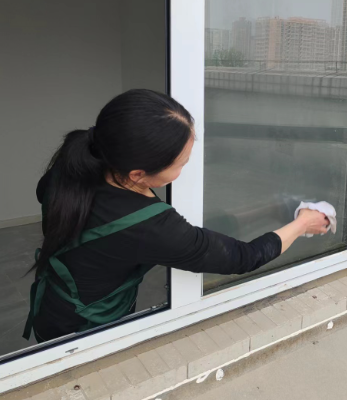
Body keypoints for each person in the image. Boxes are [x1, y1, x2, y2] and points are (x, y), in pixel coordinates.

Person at [24, 89, 329, 343]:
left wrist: (268, 209)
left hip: (52, 303)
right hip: (83, 330)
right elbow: (243, 257)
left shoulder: (75, 163)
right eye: (181, 164)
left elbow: (192, 238)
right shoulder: (146, 224)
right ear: (138, 174)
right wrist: (303, 223)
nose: (184, 170)